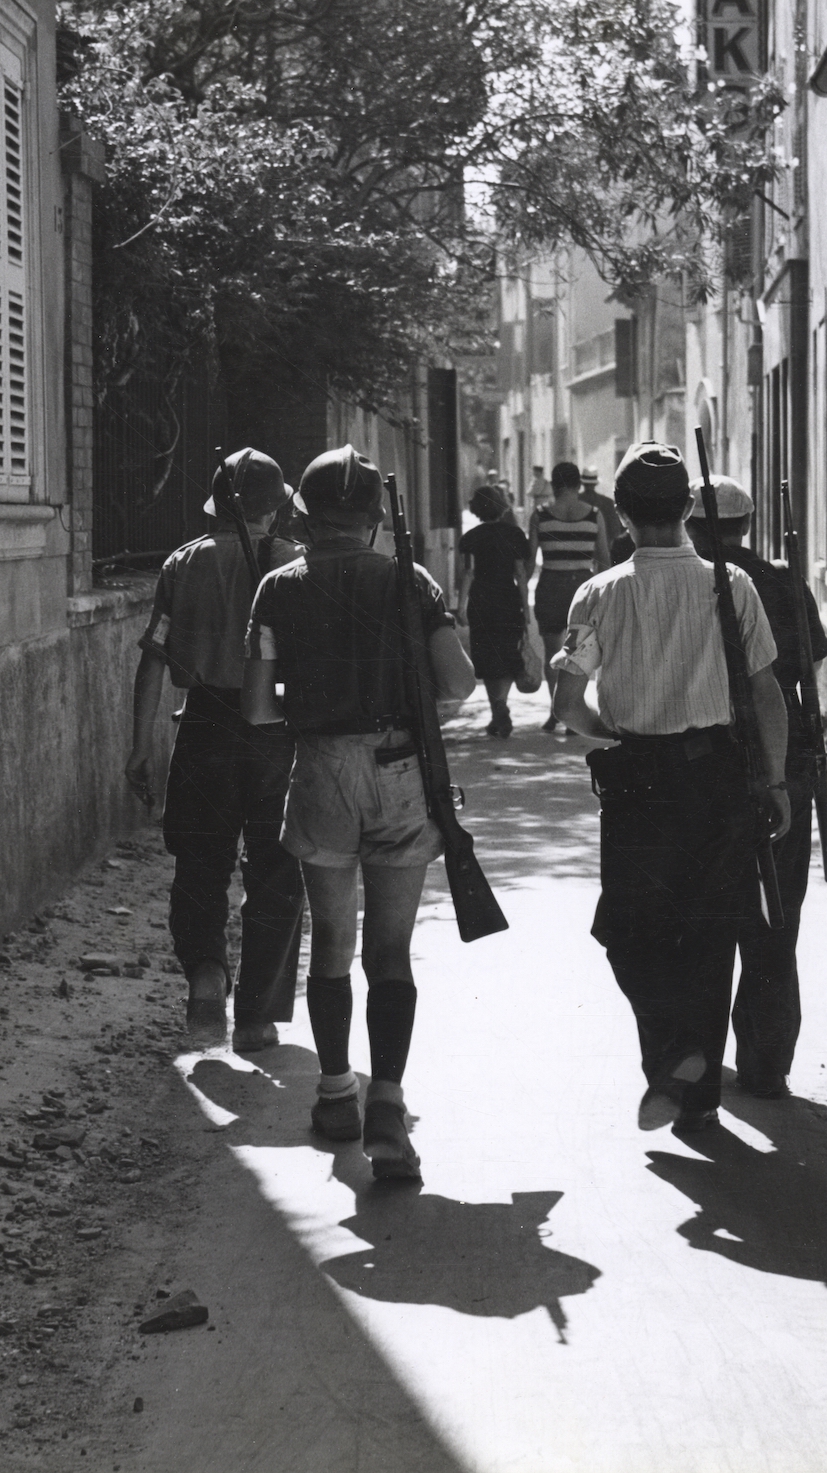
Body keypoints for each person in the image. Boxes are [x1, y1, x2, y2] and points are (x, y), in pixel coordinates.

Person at [242, 445, 476, 1180]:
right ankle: (388, 1102)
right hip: (401, 768)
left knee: (334, 943)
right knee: (391, 952)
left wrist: (307, 696)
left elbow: (257, 706)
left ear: (304, 519)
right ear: (377, 520)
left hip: (319, 770)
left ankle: (337, 1091)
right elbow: (459, 682)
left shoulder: (277, 587)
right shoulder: (412, 582)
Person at [551, 441, 791, 1134]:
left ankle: (674, 1057)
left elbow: (568, 706)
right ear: (688, 507)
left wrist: (609, 738)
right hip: (719, 780)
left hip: (636, 787)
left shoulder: (596, 594)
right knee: (710, 934)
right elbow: (765, 691)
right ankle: (699, 1092)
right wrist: (773, 779)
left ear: (622, 514)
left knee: (629, 933)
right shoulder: (732, 586)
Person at [126, 450, 305, 1051]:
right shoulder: (291, 567)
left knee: (200, 864)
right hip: (275, 734)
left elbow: (153, 659)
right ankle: (254, 1016)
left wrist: (139, 748)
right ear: (274, 507)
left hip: (201, 729)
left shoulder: (182, 565)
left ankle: (206, 973)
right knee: (276, 870)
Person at [685, 477, 827, 1098]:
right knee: (776, 918)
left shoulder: (691, 584)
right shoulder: (780, 583)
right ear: (745, 527)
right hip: (783, 763)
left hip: (709, 764)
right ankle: (767, 1063)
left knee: (705, 917)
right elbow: (809, 659)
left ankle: (696, 1059)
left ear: (693, 527)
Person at [529, 461, 609, 732]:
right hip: (583, 590)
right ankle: (574, 711)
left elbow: (530, 562)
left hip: (550, 585)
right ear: (577, 484)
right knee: (579, 653)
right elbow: (604, 560)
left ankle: (556, 713)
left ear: (554, 483)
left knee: (553, 652)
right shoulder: (594, 514)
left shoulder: (540, 515)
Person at [457, 484, 531, 738]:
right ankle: (500, 705)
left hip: (482, 600)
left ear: (477, 510)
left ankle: (497, 708)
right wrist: (526, 607)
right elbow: (520, 573)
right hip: (508, 599)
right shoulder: (515, 535)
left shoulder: (471, 537)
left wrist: (461, 606)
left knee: (487, 655)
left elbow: (468, 572)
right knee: (509, 652)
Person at [579, 467, 623, 549]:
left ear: (582, 483)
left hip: (581, 550)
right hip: (603, 550)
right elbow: (615, 531)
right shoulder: (607, 502)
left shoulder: (577, 500)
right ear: (595, 483)